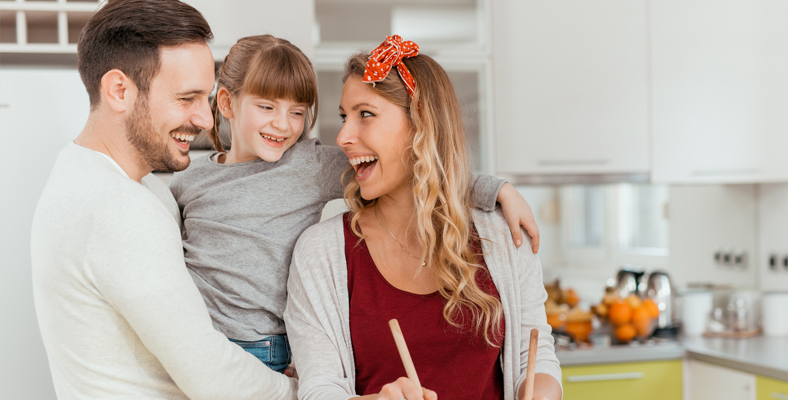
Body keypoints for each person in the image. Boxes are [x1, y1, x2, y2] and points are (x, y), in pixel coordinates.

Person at [169, 35, 539, 373]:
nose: (282, 125)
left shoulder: (308, 165)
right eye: (267, 107)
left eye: (297, 112)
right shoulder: (188, 181)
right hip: (195, 338)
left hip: (266, 348)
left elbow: (418, 167)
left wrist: (496, 190)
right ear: (227, 103)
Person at [30, 1, 296, 398]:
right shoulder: (117, 209)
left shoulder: (102, 176)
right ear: (119, 90)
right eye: (186, 98)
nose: (206, 120)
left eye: (206, 98)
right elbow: (213, 375)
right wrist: (305, 391)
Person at [284, 36, 562, 400]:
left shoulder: (502, 233)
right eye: (344, 116)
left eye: (365, 114)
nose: (343, 136)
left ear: (421, 124)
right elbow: (320, 389)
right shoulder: (320, 253)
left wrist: (540, 392)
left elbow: (534, 355)